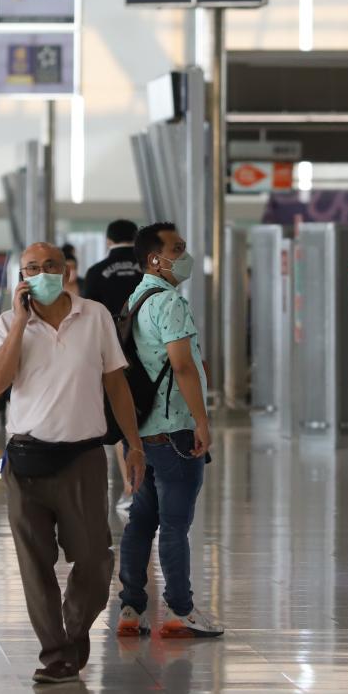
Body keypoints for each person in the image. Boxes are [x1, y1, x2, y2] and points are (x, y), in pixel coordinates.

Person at [0, 242, 145, 685]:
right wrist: (20, 321)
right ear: (21, 276)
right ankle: (56, 654)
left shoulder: (95, 317)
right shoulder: (3, 325)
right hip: (26, 460)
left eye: (49, 266)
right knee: (35, 565)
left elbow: (116, 384)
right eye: (32, 268)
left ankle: (73, 632)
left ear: (66, 270)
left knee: (95, 559)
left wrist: (134, 444)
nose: (41, 273)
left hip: (83, 458)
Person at [115, 222, 223, 640]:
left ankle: (131, 608)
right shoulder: (170, 301)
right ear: (155, 259)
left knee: (142, 521)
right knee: (175, 525)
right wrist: (202, 420)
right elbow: (181, 366)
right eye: (177, 249)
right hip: (175, 430)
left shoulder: (135, 298)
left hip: (142, 433)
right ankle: (180, 609)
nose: (184, 255)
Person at [81, 220, 144, 320]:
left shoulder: (95, 271)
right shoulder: (150, 268)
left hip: (109, 330)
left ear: (108, 241)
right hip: (148, 331)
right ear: (136, 239)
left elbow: (88, 308)